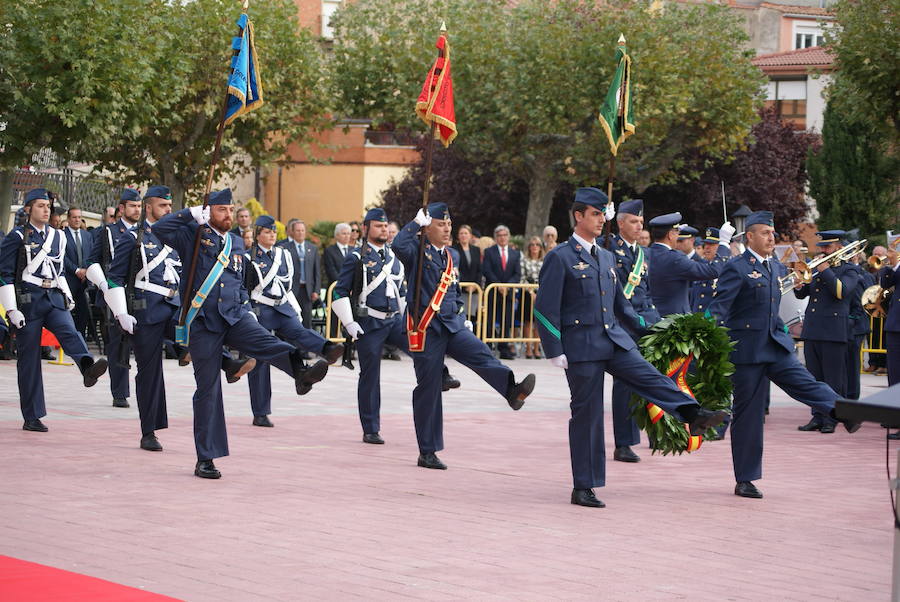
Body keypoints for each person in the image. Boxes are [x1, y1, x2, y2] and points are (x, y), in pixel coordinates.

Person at [534, 188, 727, 508]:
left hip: (614, 339)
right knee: (587, 415)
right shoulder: (561, 257)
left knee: (650, 377)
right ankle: (584, 485)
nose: (600, 220)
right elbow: (545, 307)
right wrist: (554, 349)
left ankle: (692, 413)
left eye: (602, 214)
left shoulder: (606, 257)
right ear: (578, 216)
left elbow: (621, 305)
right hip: (582, 347)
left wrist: (650, 332)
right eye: (594, 214)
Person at [154, 189, 332, 479]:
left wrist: (245, 310)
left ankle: (300, 372)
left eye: (230, 209)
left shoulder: (236, 242)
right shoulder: (192, 234)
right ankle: (206, 458)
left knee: (267, 341)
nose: (227, 215)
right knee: (208, 390)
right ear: (208, 210)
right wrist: (189, 214)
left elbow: (237, 280)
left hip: (235, 315)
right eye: (221, 209)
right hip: (202, 322)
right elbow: (160, 228)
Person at [705, 212, 861, 499]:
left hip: (775, 345)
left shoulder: (775, 266)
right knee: (748, 416)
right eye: (765, 233)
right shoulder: (736, 267)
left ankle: (844, 412)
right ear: (749, 236)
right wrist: (707, 338)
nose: (771, 238)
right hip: (747, 350)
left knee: (807, 384)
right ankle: (746, 479)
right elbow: (719, 308)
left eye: (772, 233)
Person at [393, 202, 536, 470]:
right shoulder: (416, 251)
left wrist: (461, 315)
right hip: (426, 330)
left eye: (449, 224)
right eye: (440, 224)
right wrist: (414, 223)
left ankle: (511, 390)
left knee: (481, 353)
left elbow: (454, 291)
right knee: (429, 388)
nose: (447, 229)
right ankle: (428, 450)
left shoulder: (451, 256)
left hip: (451, 324)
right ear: (427, 228)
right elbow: (398, 245)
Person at [333, 208, 459, 443]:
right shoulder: (355, 256)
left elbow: (402, 292)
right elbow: (340, 291)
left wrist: (410, 319)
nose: (383, 230)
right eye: (378, 226)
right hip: (369, 321)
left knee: (421, 347)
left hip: (394, 319)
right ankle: (371, 428)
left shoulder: (394, 257)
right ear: (365, 228)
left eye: (385, 226)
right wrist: (349, 323)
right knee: (370, 375)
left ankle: (441, 375)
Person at [0, 188, 109, 432]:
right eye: (40, 205)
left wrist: (67, 296)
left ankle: (87, 368)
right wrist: (11, 309)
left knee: (69, 330)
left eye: (48, 205)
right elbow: (4, 274)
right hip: (29, 301)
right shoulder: (17, 236)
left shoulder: (57, 237)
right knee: (29, 360)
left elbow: (58, 271)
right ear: (28, 209)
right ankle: (32, 415)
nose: (46, 209)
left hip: (53, 297)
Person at [103, 185, 191, 451]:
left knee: (200, 340)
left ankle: (227, 365)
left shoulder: (179, 238)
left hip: (174, 308)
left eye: (169, 206)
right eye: (163, 206)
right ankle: (149, 431)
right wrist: (121, 313)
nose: (168, 210)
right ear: (149, 207)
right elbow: (114, 278)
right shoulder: (135, 238)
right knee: (150, 371)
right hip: (146, 311)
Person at [244, 215, 340, 428]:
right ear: (258, 234)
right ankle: (261, 412)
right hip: (260, 308)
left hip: (282, 306)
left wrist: (292, 306)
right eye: (267, 232)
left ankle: (328, 349)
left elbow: (289, 283)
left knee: (298, 330)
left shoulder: (283, 255)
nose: (271, 235)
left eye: (273, 232)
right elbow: (246, 287)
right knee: (260, 359)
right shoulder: (248, 256)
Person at [604, 199, 660, 463]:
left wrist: (654, 321)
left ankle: (655, 430)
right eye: (634, 221)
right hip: (622, 324)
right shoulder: (610, 249)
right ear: (620, 223)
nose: (639, 226)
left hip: (645, 323)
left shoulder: (643, 253)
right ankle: (624, 442)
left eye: (641, 222)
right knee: (625, 384)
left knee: (651, 378)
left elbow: (646, 293)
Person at [794, 230, 861, 433]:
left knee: (833, 379)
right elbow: (803, 293)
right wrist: (799, 284)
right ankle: (817, 416)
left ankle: (832, 418)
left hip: (833, 331)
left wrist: (824, 270)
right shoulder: (817, 269)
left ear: (839, 248)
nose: (823, 250)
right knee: (814, 378)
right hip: (813, 328)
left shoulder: (849, 270)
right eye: (821, 246)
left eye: (827, 247)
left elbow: (841, 292)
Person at [86, 188, 142, 408]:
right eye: (132, 206)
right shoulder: (107, 232)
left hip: (139, 293)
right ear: (121, 209)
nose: (136, 210)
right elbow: (92, 261)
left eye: (139, 206)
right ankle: (120, 392)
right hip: (114, 292)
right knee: (117, 344)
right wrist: (103, 286)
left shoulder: (146, 231)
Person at [647, 213, 733, 317]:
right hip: (673, 322)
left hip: (652, 317)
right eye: (676, 233)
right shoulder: (674, 258)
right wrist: (724, 243)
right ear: (670, 235)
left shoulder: (646, 253)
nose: (678, 236)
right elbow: (712, 271)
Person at [482, 224, 521, 359]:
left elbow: (517, 274)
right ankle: (487, 348)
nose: (502, 238)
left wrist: (507, 286)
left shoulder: (515, 254)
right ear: (496, 237)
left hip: (508, 293)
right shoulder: (489, 252)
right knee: (490, 319)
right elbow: (487, 270)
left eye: (505, 235)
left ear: (508, 237)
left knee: (507, 320)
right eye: (499, 235)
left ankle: (503, 348)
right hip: (493, 291)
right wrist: (498, 285)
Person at [279, 219, 320, 331]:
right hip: (291, 291)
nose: (300, 233)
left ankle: (305, 347)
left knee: (306, 321)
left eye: (302, 230)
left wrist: (316, 290)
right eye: (297, 230)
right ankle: (292, 347)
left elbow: (316, 272)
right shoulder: (284, 248)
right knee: (291, 320)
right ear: (292, 232)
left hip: (307, 291)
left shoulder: (312, 248)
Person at [62, 206, 94, 339]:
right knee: (67, 312)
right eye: (74, 217)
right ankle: (68, 339)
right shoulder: (62, 235)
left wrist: (86, 271)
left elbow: (92, 254)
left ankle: (80, 339)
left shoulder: (87, 235)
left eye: (79, 217)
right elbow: (62, 256)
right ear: (68, 219)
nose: (77, 220)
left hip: (84, 280)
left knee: (83, 312)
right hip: (70, 279)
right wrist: (76, 270)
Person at [690, 227, 731, 313]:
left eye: (712, 245)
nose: (707, 248)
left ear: (721, 247)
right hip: (698, 319)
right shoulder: (702, 266)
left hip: (717, 321)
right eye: (706, 244)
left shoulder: (729, 268)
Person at [452, 224, 482, 322]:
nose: (463, 235)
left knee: (473, 318)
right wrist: (466, 286)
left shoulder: (476, 250)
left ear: (470, 235)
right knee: (462, 316)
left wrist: (474, 285)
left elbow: (479, 269)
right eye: (461, 233)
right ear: (458, 236)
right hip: (461, 289)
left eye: (466, 233)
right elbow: (456, 269)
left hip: (474, 290)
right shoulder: (454, 250)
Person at [521, 236, 544, 359]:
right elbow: (522, 277)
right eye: (532, 244)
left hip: (542, 293)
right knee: (528, 322)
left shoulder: (544, 261)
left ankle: (536, 348)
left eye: (537, 244)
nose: (534, 247)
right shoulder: (524, 260)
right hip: (527, 294)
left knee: (538, 322)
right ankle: (528, 348)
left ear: (541, 247)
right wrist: (531, 291)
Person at [323, 222, 352, 287]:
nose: (347, 236)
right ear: (337, 235)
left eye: (348, 234)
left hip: (352, 289)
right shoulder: (329, 251)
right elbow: (331, 271)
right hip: (336, 287)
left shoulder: (354, 250)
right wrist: (344, 284)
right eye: (344, 234)